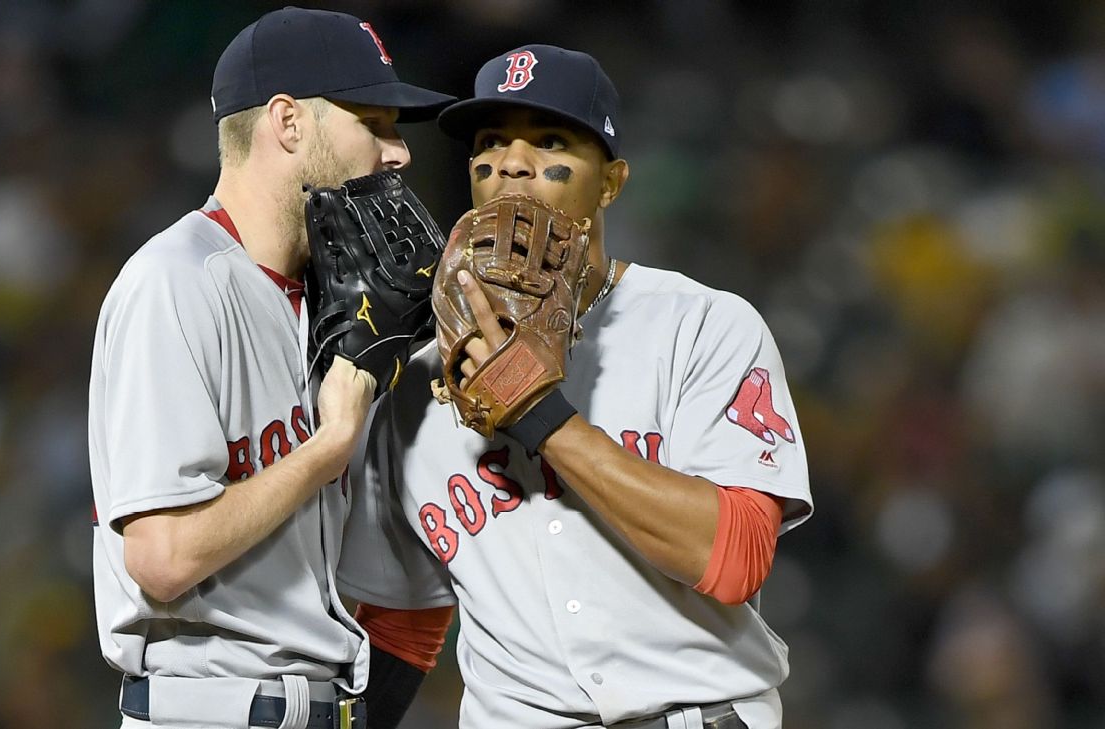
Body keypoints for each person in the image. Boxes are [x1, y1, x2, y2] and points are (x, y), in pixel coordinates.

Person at [338, 45, 814, 729]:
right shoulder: (415, 379)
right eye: (491, 142)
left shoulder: (702, 325)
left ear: (612, 182)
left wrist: (544, 416)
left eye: (552, 140)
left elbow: (735, 555)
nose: (512, 162)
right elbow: (404, 622)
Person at [86, 8, 454, 728]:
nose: (397, 152)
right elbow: (161, 557)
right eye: (374, 123)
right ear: (289, 123)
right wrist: (327, 449)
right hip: (205, 707)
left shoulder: (347, 303)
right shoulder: (175, 281)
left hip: (321, 704)